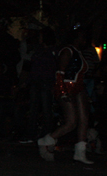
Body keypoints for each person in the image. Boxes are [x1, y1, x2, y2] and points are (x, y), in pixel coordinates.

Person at [37, 26, 93, 163]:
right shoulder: (67, 51)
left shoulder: (78, 52)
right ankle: (47, 140)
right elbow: (59, 72)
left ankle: (80, 152)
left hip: (78, 87)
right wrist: (62, 92)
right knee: (71, 122)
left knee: (84, 119)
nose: (84, 39)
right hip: (66, 86)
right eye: (82, 36)